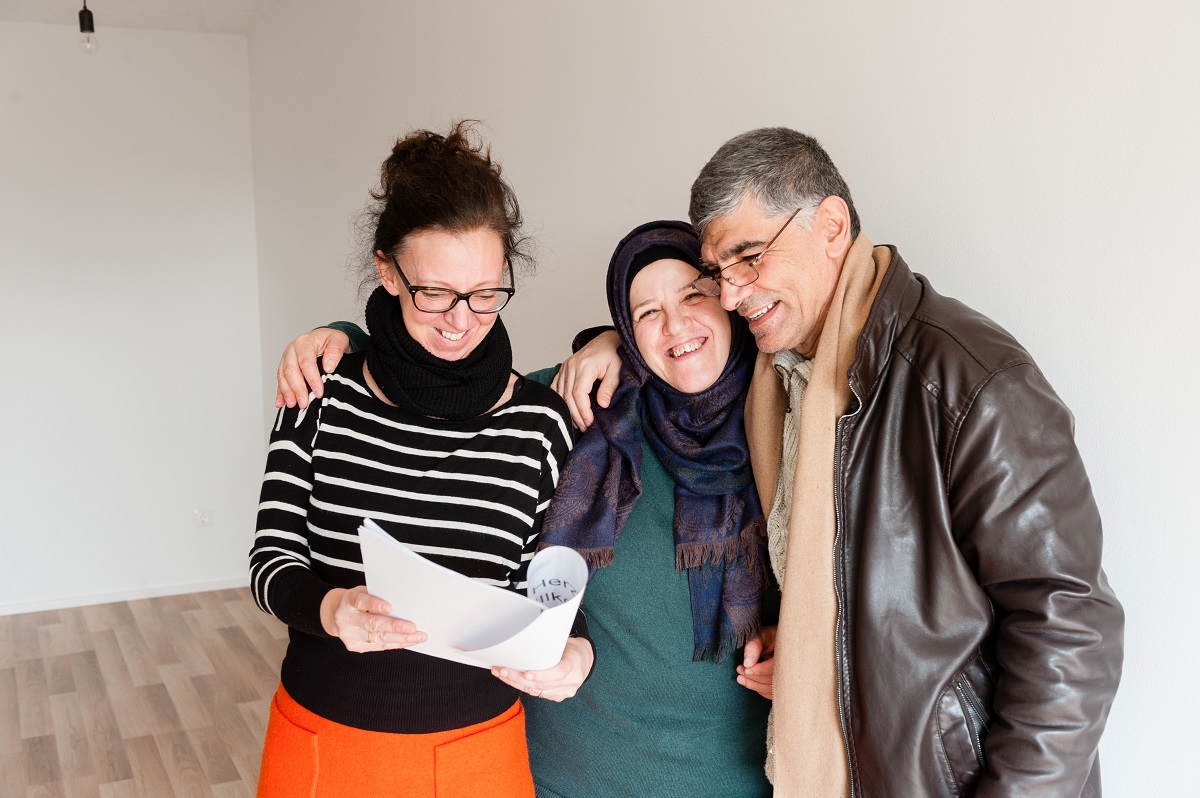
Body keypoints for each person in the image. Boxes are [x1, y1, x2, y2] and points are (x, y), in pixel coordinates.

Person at [559, 128, 1125, 797]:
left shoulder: (967, 380)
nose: (733, 296)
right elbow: (679, 349)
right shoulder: (781, 377)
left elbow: (1070, 624)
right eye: (720, 273)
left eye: (748, 258)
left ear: (831, 225)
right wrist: (806, 647)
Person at [273, 220, 777, 797]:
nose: (676, 324)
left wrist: (791, 641)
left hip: (729, 775)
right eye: (643, 313)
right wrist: (339, 338)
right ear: (626, 330)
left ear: (732, 301)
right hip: (561, 772)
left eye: (695, 295)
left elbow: (821, 593)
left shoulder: (780, 429)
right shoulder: (582, 409)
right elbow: (438, 384)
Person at [249, 123, 590, 798]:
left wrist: (577, 651)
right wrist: (331, 608)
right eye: (434, 293)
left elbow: (545, 589)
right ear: (387, 271)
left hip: (478, 755)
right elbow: (270, 562)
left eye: (486, 292)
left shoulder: (540, 421)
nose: (461, 320)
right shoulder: (318, 388)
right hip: (323, 742)